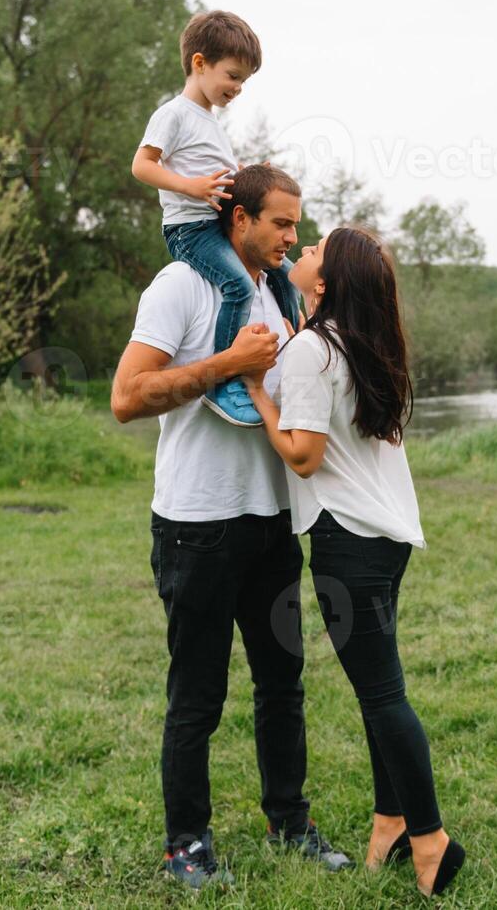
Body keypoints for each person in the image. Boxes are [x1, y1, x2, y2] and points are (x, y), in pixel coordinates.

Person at [110, 164, 351, 891]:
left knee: (284, 682)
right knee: (198, 692)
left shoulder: (281, 296)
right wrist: (227, 363)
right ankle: (186, 841)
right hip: (197, 527)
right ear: (237, 220)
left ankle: (290, 821)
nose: (292, 235)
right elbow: (127, 397)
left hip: (272, 522)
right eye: (280, 222)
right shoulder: (181, 284)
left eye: (297, 223)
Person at [241, 226, 467, 898]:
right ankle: (389, 823)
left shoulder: (314, 348)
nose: (303, 247)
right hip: (386, 536)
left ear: (326, 281)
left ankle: (431, 843)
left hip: (347, 540)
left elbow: (305, 455)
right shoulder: (361, 343)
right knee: (378, 692)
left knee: (382, 694)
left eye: (313, 251)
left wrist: (257, 389)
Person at [131, 9, 300, 428]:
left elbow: (220, 174)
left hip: (212, 224)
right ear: (199, 63)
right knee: (239, 286)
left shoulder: (210, 120)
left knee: (288, 276)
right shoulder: (173, 113)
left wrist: (249, 177)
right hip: (189, 231)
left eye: (244, 81)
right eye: (233, 76)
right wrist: (192, 188)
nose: (238, 88)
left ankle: (300, 353)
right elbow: (142, 166)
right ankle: (225, 384)